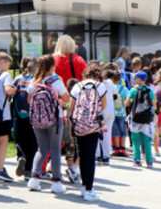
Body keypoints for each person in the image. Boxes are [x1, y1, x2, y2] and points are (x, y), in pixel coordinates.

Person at [26, 54, 70, 194]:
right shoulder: (55, 81)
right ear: (52, 67)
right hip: (54, 120)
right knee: (55, 149)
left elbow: (29, 101)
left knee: (41, 149)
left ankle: (34, 179)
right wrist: (61, 103)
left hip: (37, 121)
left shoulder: (33, 82)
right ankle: (56, 182)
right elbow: (66, 98)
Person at [69, 64, 107, 202]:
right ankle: (89, 190)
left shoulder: (77, 86)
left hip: (79, 125)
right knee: (90, 158)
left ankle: (84, 187)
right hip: (93, 126)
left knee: (82, 155)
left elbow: (71, 107)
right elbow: (105, 105)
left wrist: (71, 125)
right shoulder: (100, 86)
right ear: (98, 75)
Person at [0, 51, 15, 182]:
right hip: (3, 113)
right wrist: (15, 88)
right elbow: (8, 90)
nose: (8, 68)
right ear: (2, 62)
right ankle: (0, 168)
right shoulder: (5, 75)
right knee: (3, 140)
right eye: (8, 65)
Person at [12, 57, 38, 180]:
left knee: (19, 139)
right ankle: (28, 171)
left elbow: (12, 96)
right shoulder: (37, 81)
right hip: (32, 116)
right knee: (32, 143)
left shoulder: (17, 79)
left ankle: (20, 155)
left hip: (19, 115)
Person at [125, 71, 157, 168]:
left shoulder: (133, 90)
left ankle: (136, 160)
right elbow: (154, 105)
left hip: (135, 118)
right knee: (147, 140)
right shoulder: (149, 90)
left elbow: (126, 103)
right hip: (146, 119)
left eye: (135, 78)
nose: (134, 80)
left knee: (135, 140)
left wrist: (131, 102)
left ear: (139, 79)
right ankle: (149, 161)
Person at [95, 66, 116, 165]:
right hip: (110, 112)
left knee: (98, 134)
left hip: (101, 112)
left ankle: (98, 155)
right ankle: (106, 156)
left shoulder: (98, 85)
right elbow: (115, 96)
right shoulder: (111, 84)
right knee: (107, 133)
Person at [111, 68, 131, 157]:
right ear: (120, 79)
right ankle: (123, 148)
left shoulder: (111, 88)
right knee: (123, 131)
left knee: (115, 131)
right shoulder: (125, 89)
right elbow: (128, 100)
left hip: (112, 113)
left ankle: (117, 148)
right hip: (122, 113)